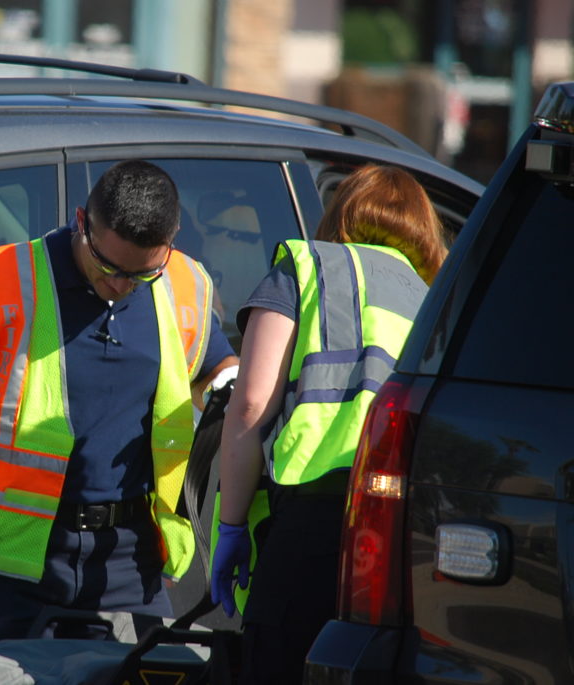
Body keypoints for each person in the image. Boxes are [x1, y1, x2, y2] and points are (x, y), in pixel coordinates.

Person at [0, 159, 238, 648]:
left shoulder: (184, 284)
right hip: (7, 564)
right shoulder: (0, 282)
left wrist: (229, 383)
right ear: (81, 222)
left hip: (127, 560)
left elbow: (211, 367)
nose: (121, 285)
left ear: (171, 242)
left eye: (142, 274)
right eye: (108, 267)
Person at [209, 164, 447, 684]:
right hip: (402, 538)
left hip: (312, 522)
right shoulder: (437, 298)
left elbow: (250, 405)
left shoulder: (308, 265)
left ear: (341, 213)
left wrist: (231, 526)